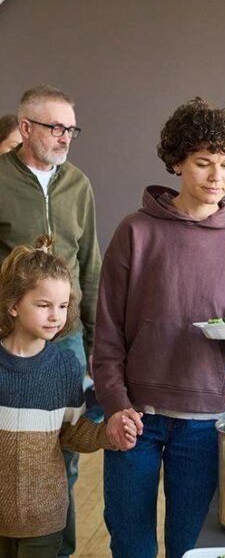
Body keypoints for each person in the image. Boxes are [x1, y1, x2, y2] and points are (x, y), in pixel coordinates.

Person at [93, 97, 225, 558]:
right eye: (203, 163)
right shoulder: (135, 232)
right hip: (136, 417)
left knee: (191, 549)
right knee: (130, 545)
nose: (216, 177)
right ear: (177, 162)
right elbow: (107, 333)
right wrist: (115, 406)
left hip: (203, 420)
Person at [0, 85, 103, 558]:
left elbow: (90, 264)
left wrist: (97, 344)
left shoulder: (78, 184)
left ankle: (56, 549)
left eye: (71, 129)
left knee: (65, 452)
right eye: (56, 127)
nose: (65, 137)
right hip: (7, 338)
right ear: (25, 128)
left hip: (68, 340)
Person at [0, 235, 139, 558]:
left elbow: (72, 431)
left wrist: (108, 435)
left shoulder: (65, 366)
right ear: (13, 305)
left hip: (45, 519)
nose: (56, 316)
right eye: (44, 305)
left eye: (62, 306)